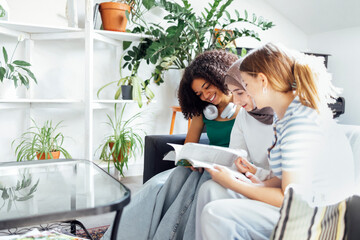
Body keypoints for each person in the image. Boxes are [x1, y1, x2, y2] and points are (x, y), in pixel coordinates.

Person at [199, 42, 355, 240]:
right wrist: (255, 180)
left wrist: (235, 183)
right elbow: (287, 181)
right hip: (301, 203)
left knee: (215, 214)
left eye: (246, 85)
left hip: (318, 216)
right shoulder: (286, 116)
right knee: (211, 190)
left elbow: (288, 197)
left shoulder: (301, 122)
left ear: (262, 80)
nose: (240, 98)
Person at [101, 49, 239, 240]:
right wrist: (190, 158)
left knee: (198, 185)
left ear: (219, 75)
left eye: (207, 87)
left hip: (229, 168)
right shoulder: (204, 111)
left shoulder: (245, 105)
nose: (206, 95)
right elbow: (190, 144)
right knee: (155, 186)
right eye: (199, 93)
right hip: (206, 164)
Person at [195, 59, 275, 240]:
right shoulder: (245, 117)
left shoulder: (285, 116)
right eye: (233, 94)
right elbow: (236, 156)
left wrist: (245, 178)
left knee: (214, 212)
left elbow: (285, 184)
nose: (236, 102)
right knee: (208, 188)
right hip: (261, 179)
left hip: (272, 188)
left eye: (240, 92)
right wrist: (239, 168)